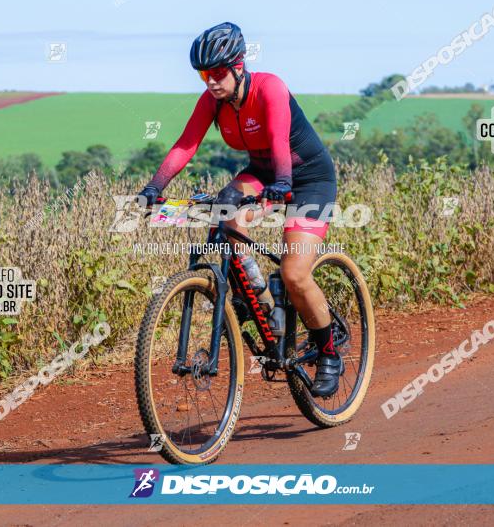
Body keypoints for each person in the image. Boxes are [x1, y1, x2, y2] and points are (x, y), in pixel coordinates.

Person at [136, 22, 342, 397]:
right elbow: (186, 146)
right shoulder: (212, 102)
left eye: (217, 73)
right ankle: (259, 298)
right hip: (264, 174)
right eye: (203, 74)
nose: (211, 82)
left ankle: (329, 352)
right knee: (225, 213)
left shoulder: (270, 87)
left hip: (308, 178)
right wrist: (155, 187)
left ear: (239, 66)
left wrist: (283, 186)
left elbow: (279, 139)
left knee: (295, 273)